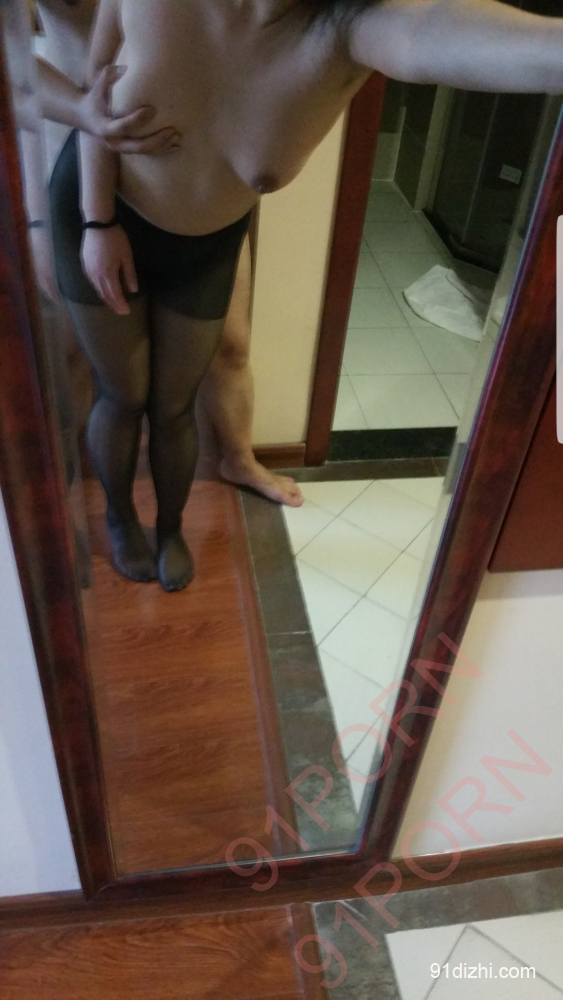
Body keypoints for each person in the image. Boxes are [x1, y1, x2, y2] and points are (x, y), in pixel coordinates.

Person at [50, 0, 563, 592]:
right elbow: (97, 86)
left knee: (173, 404)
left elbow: (430, 30)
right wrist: (98, 222)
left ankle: (169, 528)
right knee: (122, 393)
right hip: (101, 213)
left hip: (205, 248)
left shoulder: (349, 26)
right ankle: (119, 520)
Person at [34, 0, 305, 509]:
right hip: (71, 144)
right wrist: (36, 216)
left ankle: (238, 458)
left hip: (196, 180)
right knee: (74, 353)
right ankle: (60, 482)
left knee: (230, 346)